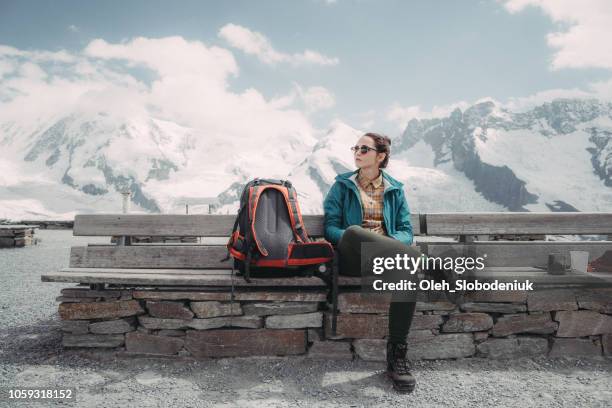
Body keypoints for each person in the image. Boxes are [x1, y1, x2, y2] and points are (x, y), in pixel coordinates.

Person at [323, 132, 421, 393]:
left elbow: (405, 231)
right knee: (354, 231)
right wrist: (359, 239)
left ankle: (397, 356)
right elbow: (330, 228)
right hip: (352, 257)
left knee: (408, 273)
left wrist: (386, 245)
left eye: (364, 149)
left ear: (381, 156)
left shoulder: (395, 189)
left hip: (386, 259)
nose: (357, 152)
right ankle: (425, 262)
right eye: (355, 147)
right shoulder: (342, 186)